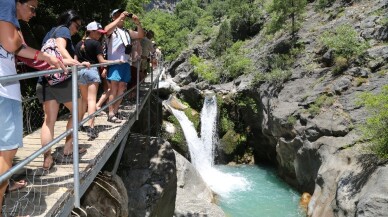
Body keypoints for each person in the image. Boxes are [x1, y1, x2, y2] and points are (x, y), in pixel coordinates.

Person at [0, 0, 65, 214]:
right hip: (4, 90)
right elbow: (12, 44)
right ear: (18, 3)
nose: (35, 14)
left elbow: (21, 51)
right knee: (6, 152)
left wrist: (46, 57)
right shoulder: (5, 4)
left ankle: (6, 185)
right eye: (32, 7)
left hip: (6, 89)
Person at [36, 10, 89, 168]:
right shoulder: (63, 29)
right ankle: (68, 148)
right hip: (62, 81)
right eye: (76, 25)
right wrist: (74, 62)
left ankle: (47, 159)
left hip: (45, 79)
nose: (77, 29)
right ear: (69, 21)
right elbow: (60, 47)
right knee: (79, 111)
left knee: (49, 120)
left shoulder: (49, 33)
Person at [75, 21, 121, 139]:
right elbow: (102, 61)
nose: (100, 35)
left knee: (84, 100)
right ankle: (91, 127)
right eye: (98, 33)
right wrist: (116, 61)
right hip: (91, 71)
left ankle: (79, 124)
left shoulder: (79, 43)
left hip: (80, 72)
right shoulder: (96, 44)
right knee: (91, 100)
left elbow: (75, 60)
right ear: (92, 31)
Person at [104, 8, 144, 123]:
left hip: (126, 63)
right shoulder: (113, 29)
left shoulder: (127, 31)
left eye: (122, 15)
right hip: (115, 63)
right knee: (114, 88)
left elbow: (140, 35)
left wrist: (138, 23)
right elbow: (106, 30)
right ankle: (110, 113)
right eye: (117, 14)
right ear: (113, 17)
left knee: (122, 88)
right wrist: (119, 19)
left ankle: (116, 111)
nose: (121, 16)